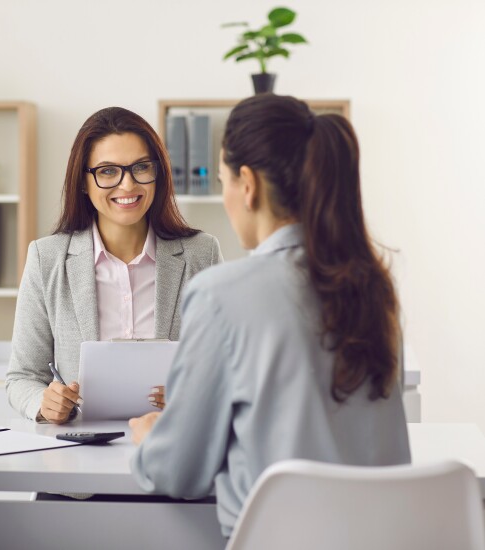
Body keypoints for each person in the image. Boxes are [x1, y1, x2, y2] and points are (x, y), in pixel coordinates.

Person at [128, 93, 411, 538]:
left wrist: (151, 438)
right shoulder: (374, 287)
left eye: (222, 180)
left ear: (247, 184)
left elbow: (178, 472)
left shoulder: (222, 294)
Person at [6, 106, 223, 424]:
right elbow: (22, 376)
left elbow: (226, 365)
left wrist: (194, 392)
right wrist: (44, 402)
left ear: (157, 172)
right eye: (108, 171)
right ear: (83, 181)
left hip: (176, 442)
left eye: (141, 167)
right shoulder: (46, 259)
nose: (127, 185)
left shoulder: (201, 254)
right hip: (81, 447)